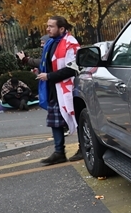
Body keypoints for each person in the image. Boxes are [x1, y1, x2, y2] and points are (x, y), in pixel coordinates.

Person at [17, 16, 82, 164]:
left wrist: (49, 76)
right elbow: (46, 63)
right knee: (54, 121)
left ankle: (82, 148)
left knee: (76, 119)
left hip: (68, 88)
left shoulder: (70, 43)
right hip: (55, 87)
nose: (47, 29)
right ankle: (59, 152)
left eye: (51, 26)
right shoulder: (51, 43)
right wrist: (26, 60)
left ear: (62, 29)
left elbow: (73, 68)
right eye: (47, 26)